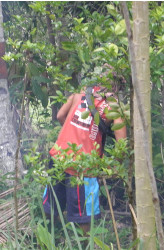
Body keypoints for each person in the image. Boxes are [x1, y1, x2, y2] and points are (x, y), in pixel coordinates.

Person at [42, 85, 127, 236]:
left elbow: (60, 116)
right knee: (84, 215)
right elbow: (121, 143)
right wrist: (116, 166)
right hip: (83, 166)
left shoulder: (80, 92)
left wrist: (74, 134)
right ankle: (85, 244)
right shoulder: (113, 106)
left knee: (52, 205)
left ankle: (50, 238)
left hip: (59, 155)